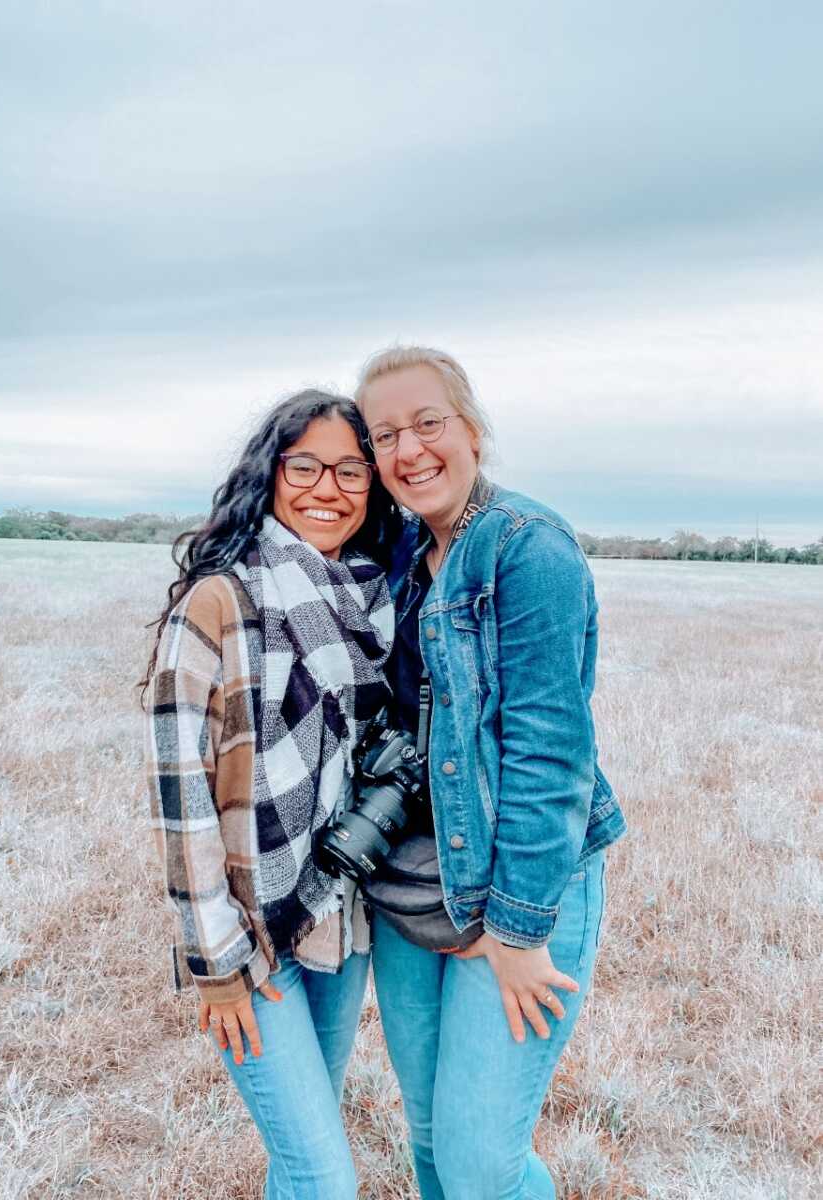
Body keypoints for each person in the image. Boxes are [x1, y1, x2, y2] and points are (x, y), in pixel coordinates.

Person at [354, 346, 627, 1200]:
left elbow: (551, 755)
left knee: (481, 1164)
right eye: (385, 434)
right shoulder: (400, 553)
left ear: (471, 429)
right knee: (431, 1138)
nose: (409, 450)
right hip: (410, 880)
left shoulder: (526, 549)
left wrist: (516, 931)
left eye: (427, 423)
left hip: (518, 882)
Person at [142, 390, 399, 1200]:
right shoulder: (220, 601)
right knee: (326, 1178)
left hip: (338, 918)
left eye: (351, 470)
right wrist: (215, 960)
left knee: (299, 1161)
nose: (329, 487)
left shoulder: (373, 601)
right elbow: (178, 792)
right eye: (306, 466)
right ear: (271, 473)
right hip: (253, 933)